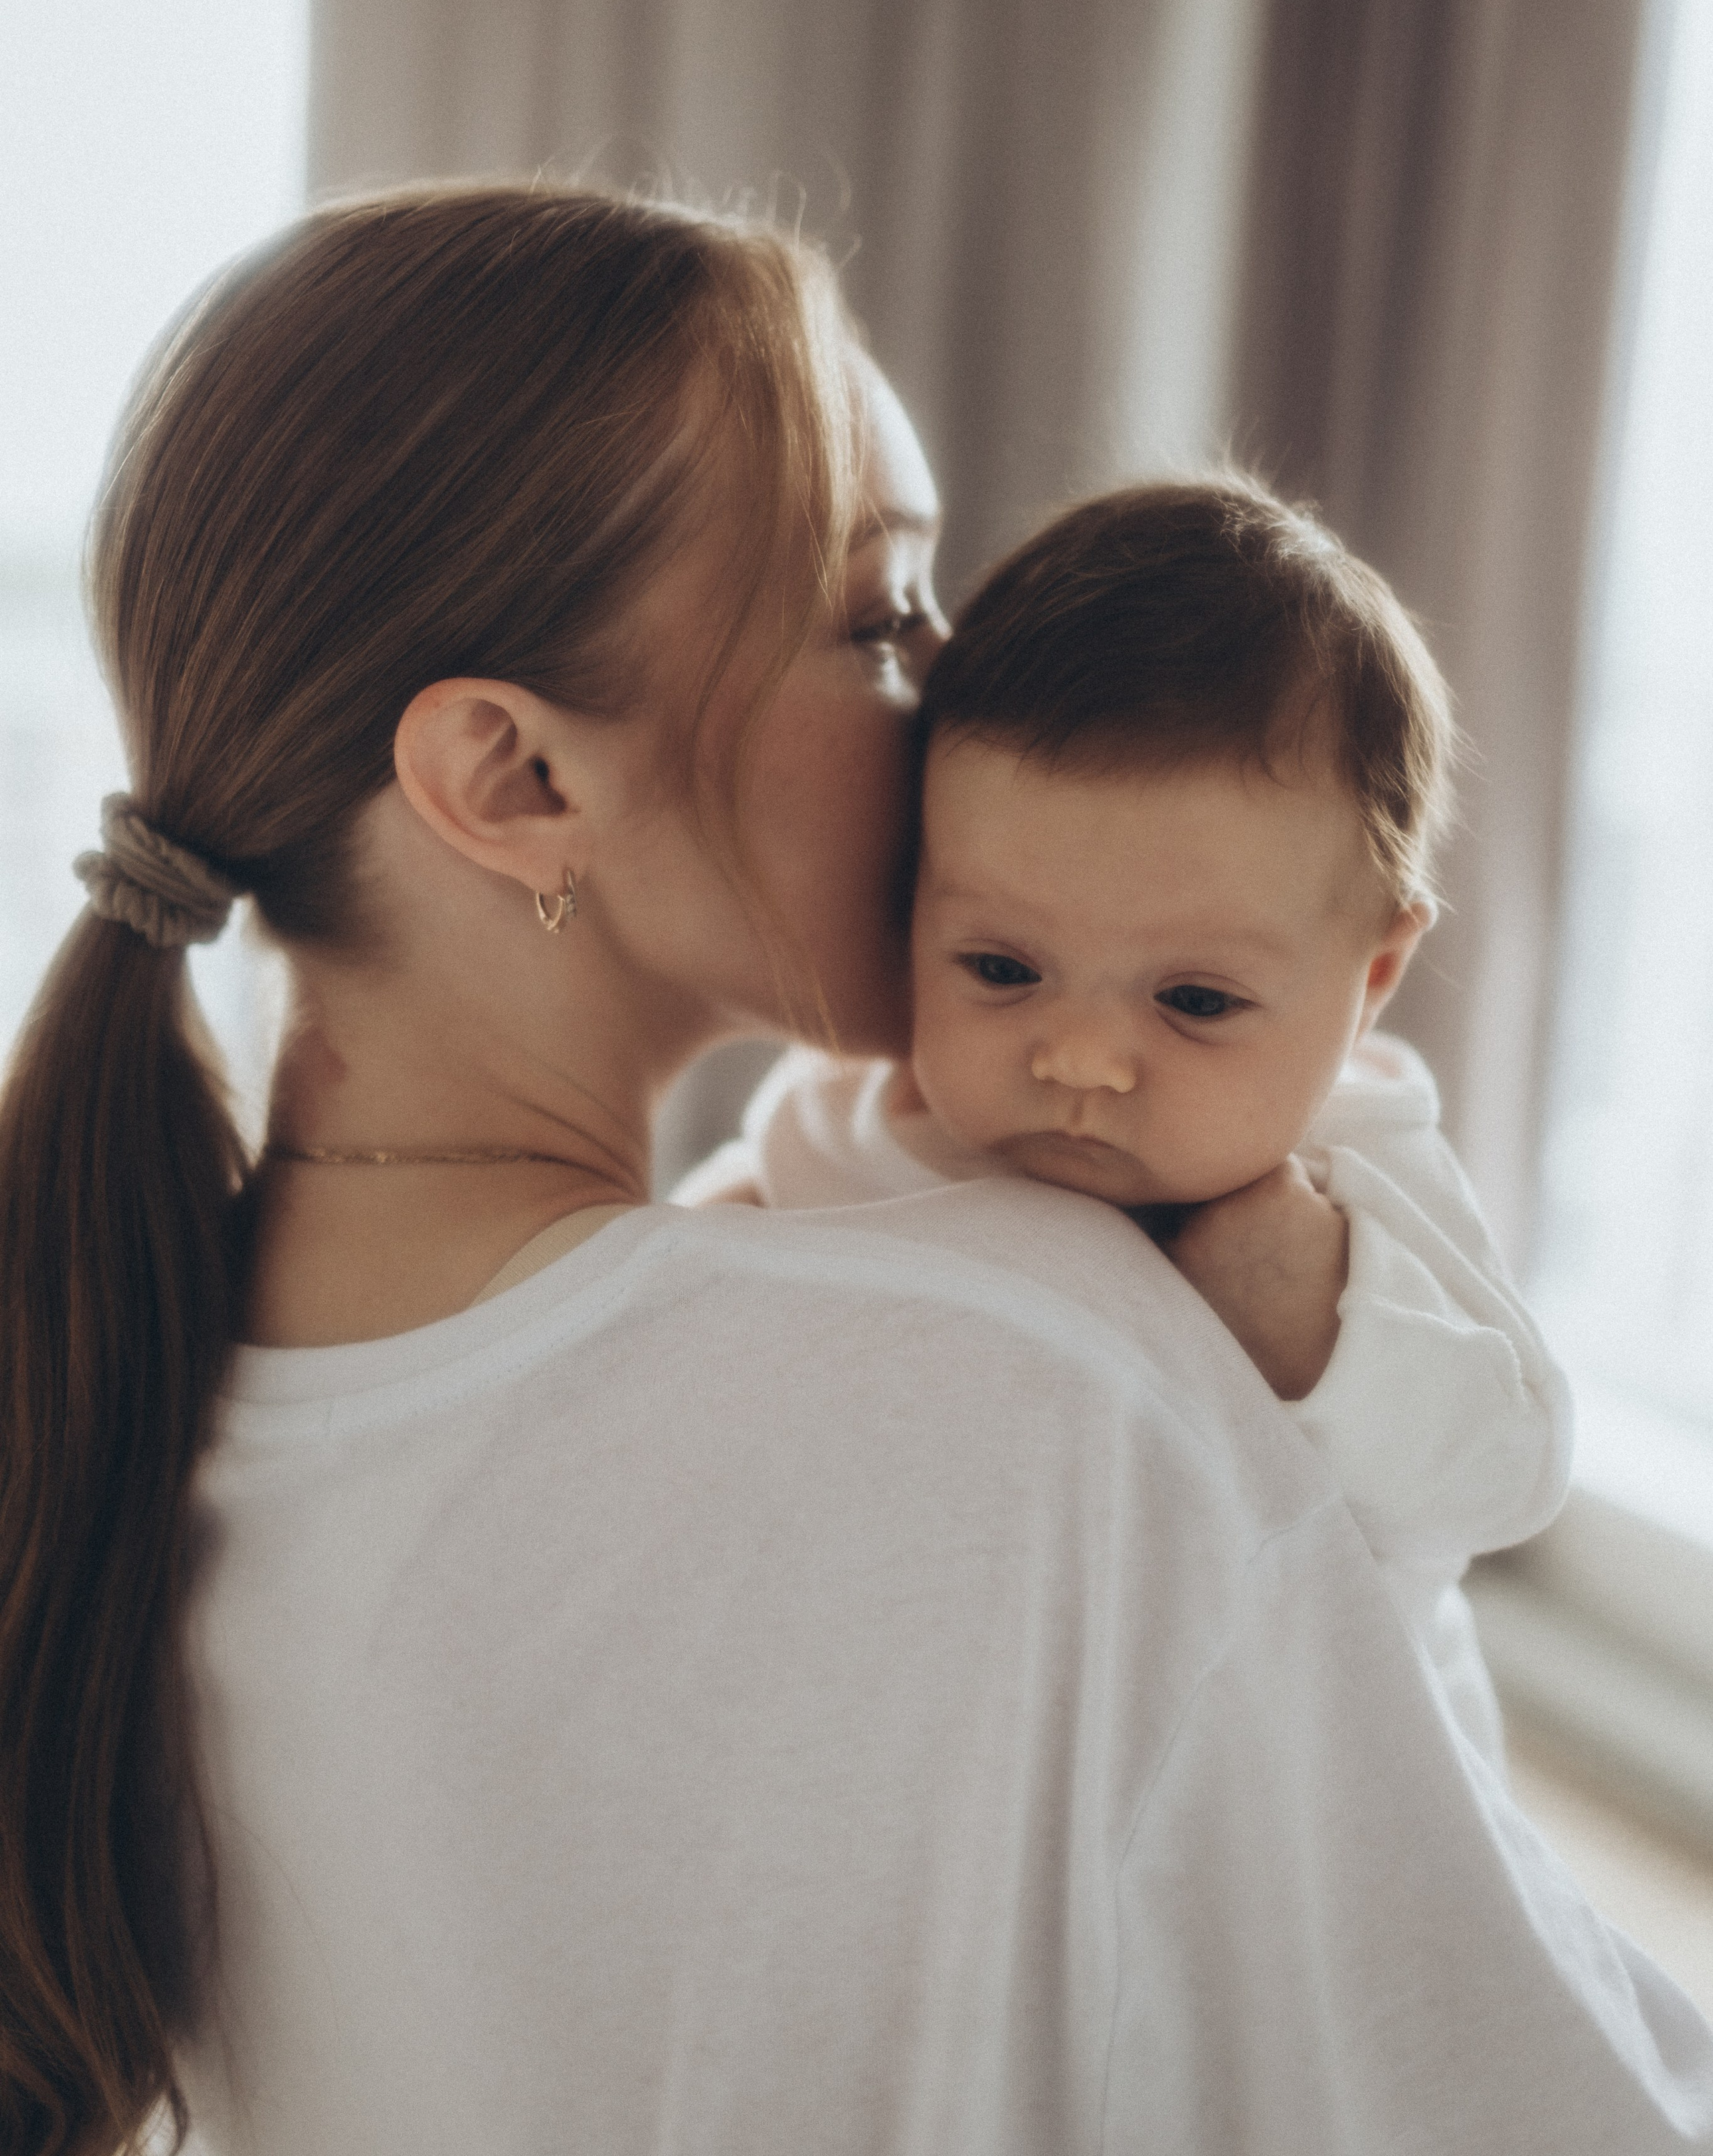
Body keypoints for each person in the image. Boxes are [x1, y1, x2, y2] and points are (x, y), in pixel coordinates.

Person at [1, 185, 1708, 2156]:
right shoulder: (1031, 1377)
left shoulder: (131, 1392)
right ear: (515, 780)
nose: (970, 691)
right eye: (882, 616)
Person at [676, 477, 1567, 1760]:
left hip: (1308, 1779)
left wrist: (1322, 1326)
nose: (1082, 1059)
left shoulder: (1357, 1173)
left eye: (1196, 1000)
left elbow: (1509, 1470)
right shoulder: (857, 1121)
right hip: (978, 1736)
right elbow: (700, 1269)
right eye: (1002, 969)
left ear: (1368, 980)